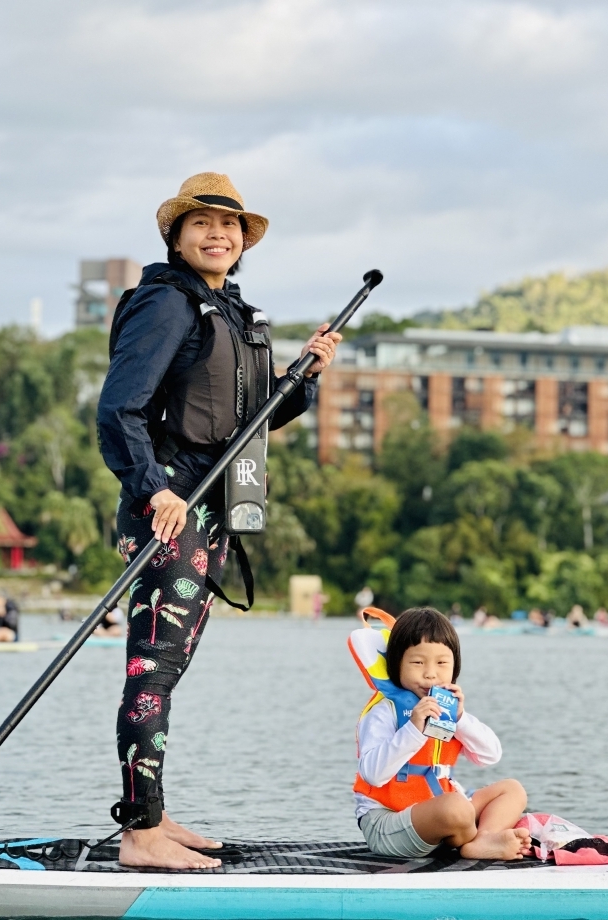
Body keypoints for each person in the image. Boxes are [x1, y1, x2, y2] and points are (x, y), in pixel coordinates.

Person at [96, 172, 342, 870]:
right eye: (201, 224)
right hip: (170, 505)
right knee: (151, 664)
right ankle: (139, 835)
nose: (218, 235)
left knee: (166, 668)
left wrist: (305, 375)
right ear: (175, 236)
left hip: (210, 506)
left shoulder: (226, 311)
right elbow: (120, 409)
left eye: (230, 227)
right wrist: (152, 493)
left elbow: (249, 421)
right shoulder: (167, 305)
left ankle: (154, 815)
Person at [353, 607, 530, 860]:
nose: (430, 673)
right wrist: (414, 728)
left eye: (442, 663)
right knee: (456, 808)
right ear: (396, 665)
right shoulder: (385, 711)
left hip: (445, 813)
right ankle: (474, 836)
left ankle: (483, 840)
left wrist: (460, 719)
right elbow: (372, 774)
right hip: (388, 824)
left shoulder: (449, 709)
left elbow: (490, 755)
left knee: (512, 790)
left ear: (454, 667)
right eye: (417, 662)